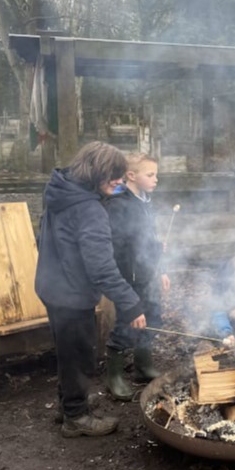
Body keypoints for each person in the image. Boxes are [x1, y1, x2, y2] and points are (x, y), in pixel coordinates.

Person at [35, 141, 147, 438]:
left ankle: (69, 406)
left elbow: (43, 236)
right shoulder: (89, 210)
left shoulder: (60, 191)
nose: (121, 182)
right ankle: (76, 418)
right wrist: (131, 303)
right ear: (98, 173)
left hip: (51, 284)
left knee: (67, 352)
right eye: (115, 177)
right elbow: (101, 267)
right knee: (80, 355)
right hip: (71, 294)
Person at [103, 152, 170, 400]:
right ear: (131, 175)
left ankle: (143, 365)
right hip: (129, 277)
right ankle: (114, 376)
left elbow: (151, 240)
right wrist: (123, 280)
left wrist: (160, 268)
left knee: (151, 317)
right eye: (150, 174)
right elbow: (116, 245)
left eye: (156, 174)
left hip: (148, 273)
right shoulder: (118, 204)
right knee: (127, 322)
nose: (156, 179)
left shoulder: (145, 201)